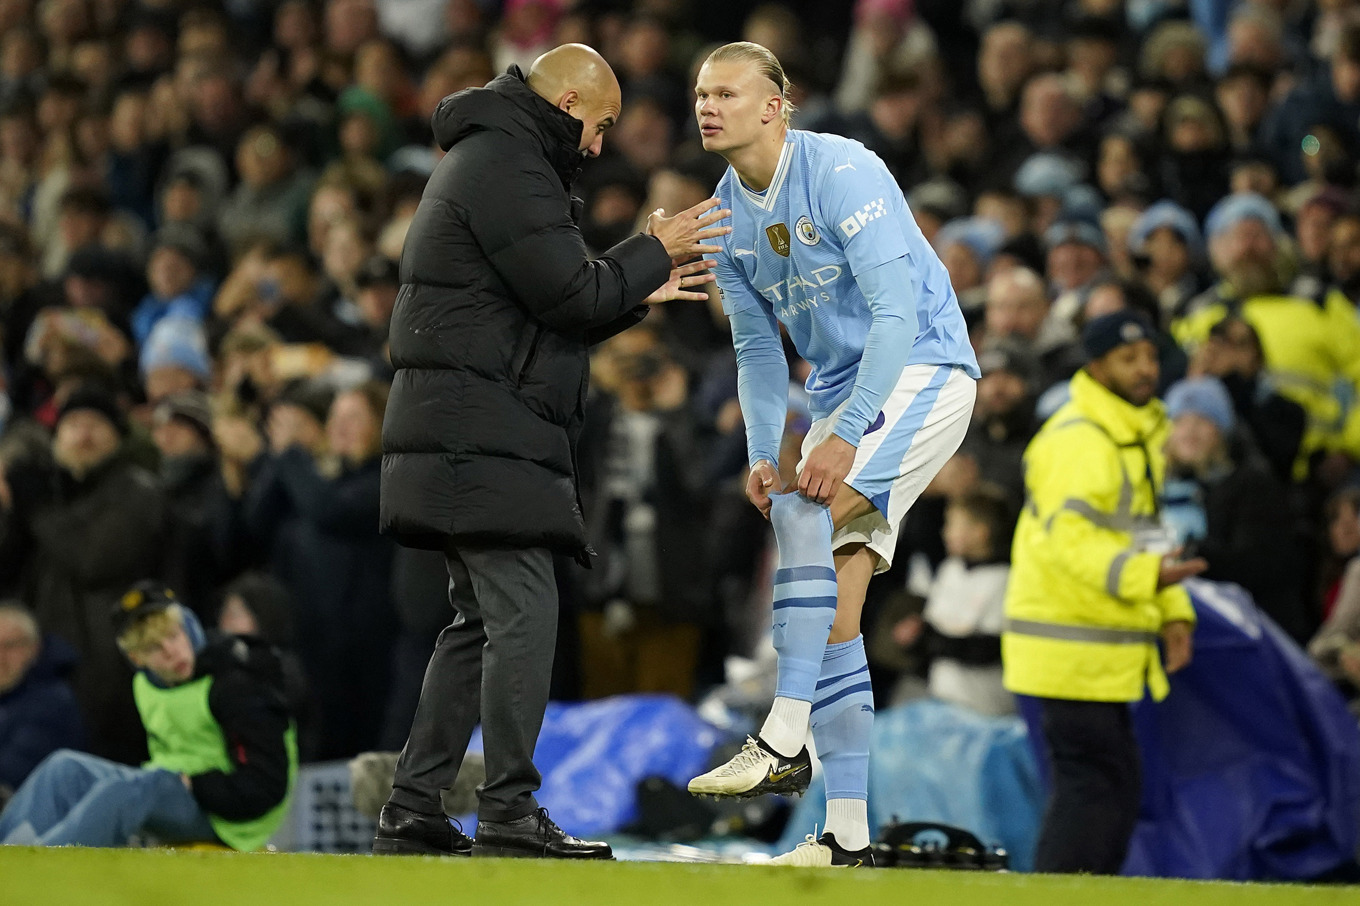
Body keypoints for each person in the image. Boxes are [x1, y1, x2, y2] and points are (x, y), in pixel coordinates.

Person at [374, 43, 728, 860]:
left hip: (467, 425)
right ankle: (507, 809)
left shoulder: (495, 156)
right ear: (569, 104)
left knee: (477, 623)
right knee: (526, 612)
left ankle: (415, 803)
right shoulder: (507, 163)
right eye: (599, 126)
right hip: (480, 430)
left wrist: (637, 286)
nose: (600, 146)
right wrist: (655, 250)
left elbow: (544, 309)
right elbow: (571, 292)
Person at [683, 42, 979, 868]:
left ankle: (781, 734)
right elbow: (756, 350)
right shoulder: (724, 214)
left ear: (777, 104)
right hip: (843, 395)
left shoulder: (843, 169)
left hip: (921, 365)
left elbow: (892, 315)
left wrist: (844, 435)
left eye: (728, 92)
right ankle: (846, 834)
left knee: (808, 515)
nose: (709, 106)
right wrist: (758, 448)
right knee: (837, 616)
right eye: (702, 94)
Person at [1003, 310, 1206, 875]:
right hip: (1067, 648)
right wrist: (1150, 582)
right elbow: (1069, 541)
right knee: (1094, 789)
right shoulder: (1078, 441)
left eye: (1149, 357)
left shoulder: (1130, 437)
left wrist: (1173, 612)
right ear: (1096, 367)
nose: (1146, 369)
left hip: (1097, 649)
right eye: (1128, 359)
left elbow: (1145, 534)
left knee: (1110, 787)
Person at [0, 582, 296, 849]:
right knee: (64, 768)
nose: (171, 651)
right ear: (136, 659)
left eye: (173, 635)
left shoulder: (234, 684)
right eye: (154, 647)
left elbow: (266, 787)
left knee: (132, 790)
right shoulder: (146, 685)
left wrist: (195, 784)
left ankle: (43, 869)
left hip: (231, 820)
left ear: (188, 626)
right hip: (175, 788)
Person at [0, 603, 84, 801]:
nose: (0, 658)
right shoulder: (8, 695)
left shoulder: (53, 701)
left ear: (34, 649)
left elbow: (15, 772)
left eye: (10, 646)